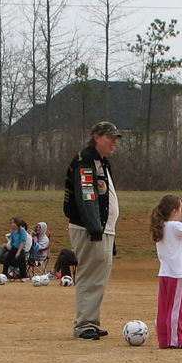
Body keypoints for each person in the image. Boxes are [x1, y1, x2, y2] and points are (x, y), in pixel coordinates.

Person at [63, 121, 122, 338]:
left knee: (99, 278)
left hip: (103, 229)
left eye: (116, 138)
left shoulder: (101, 162)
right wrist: (95, 228)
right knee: (89, 276)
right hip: (89, 229)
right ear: (97, 137)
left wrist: (109, 232)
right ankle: (84, 324)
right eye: (110, 137)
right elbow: (86, 195)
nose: (114, 142)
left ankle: (91, 321)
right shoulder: (86, 161)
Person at [150, 194, 182, 349]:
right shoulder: (174, 226)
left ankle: (164, 340)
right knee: (176, 308)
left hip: (164, 273)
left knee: (164, 308)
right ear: (174, 211)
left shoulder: (161, 226)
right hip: (176, 274)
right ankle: (176, 339)